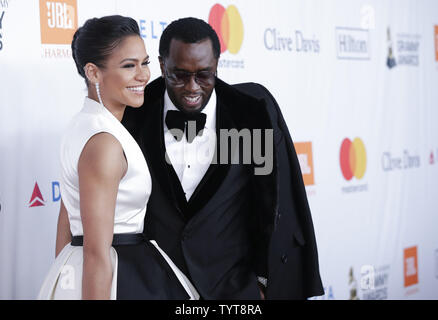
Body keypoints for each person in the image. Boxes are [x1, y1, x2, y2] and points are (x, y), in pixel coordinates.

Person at [122, 17, 324, 299]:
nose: (192, 87)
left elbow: (271, 202)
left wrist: (264, 281)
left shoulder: (251, 113)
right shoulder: (132, 114)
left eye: (204, 74)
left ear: (217, 64)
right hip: (157, 287)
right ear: (161, 64)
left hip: (234, 289)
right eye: (179, 75)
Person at [38, 15, 198, 300]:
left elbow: (67, 219)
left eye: (145, 63)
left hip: (103, 271)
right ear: (93, 72)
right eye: (128, 66)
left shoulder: (86, 125)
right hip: (113, 279)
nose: (143, 75)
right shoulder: (104, 142)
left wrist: (62, 277)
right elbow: (97, 252)